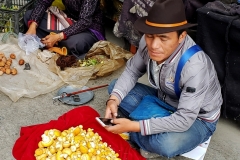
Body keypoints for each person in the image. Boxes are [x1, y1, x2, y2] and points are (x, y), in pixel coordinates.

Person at [104, 0, 223, 158]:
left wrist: (133, 127)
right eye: (150, 36)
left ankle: (137, 132)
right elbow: (132, 71)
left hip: (197, 118)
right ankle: (148, 129)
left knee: (166, 144)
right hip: (166, 99)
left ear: (181, 37)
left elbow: (185, 119)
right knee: (115, 89)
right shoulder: (146, 43)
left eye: (163, 38)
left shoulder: (195, 66)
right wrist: (113, 100)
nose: (154, 45)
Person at [24, 0, 105, 59]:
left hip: (88, 29)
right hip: (68, 21)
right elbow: (43, 2)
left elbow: (84, 21)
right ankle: (56, 44)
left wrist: (58, 36)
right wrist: (33, 25)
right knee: (29, 16)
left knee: (73, 43)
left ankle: (55, 43)